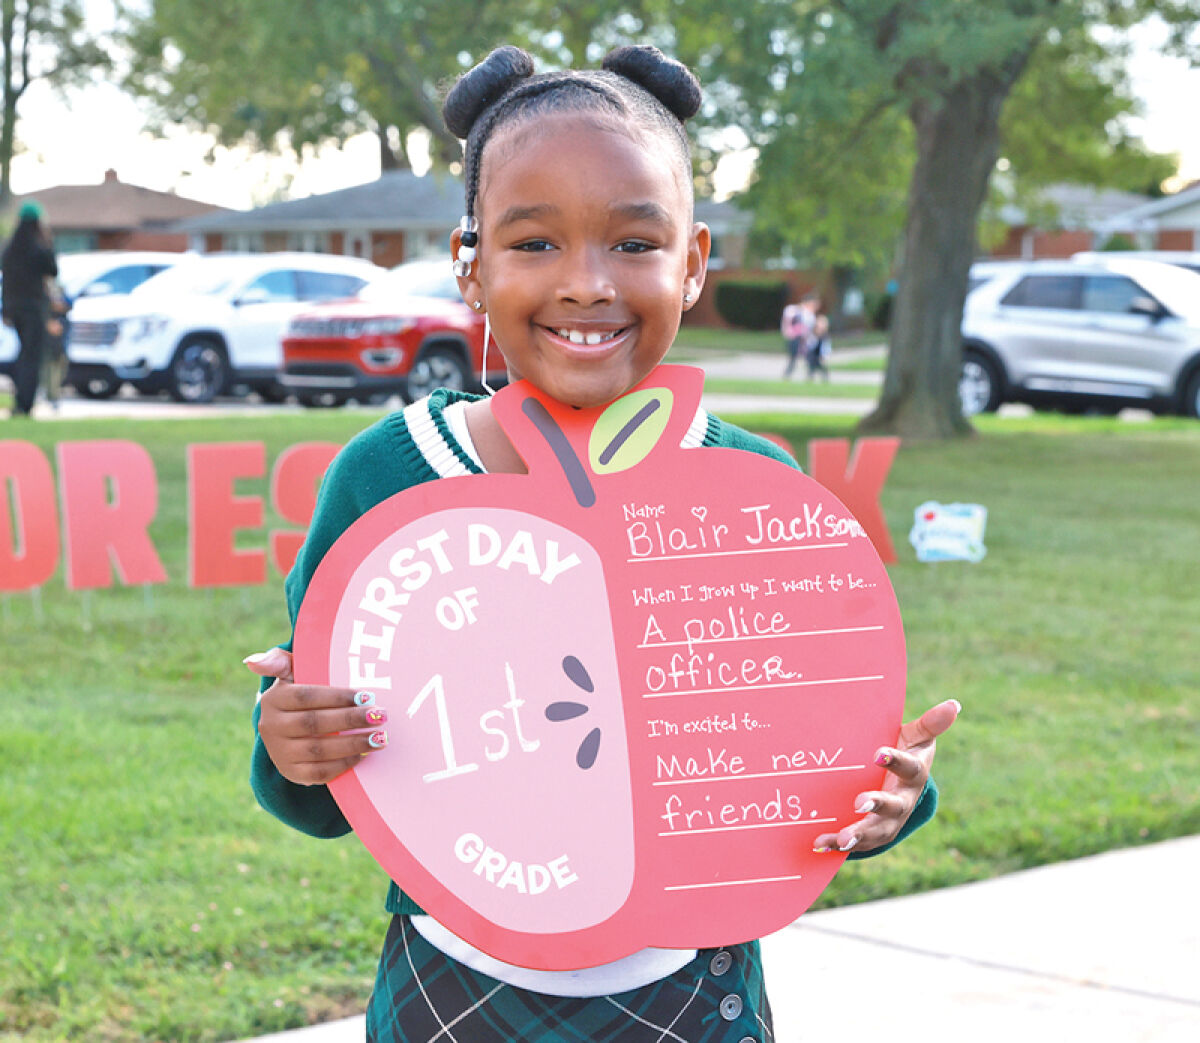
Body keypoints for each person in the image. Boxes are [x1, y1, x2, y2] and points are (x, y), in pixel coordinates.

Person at [245, 44, 958, 1042]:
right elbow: (324, 783)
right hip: (454, 989)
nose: (586, 283)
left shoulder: (752, 490)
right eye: (534, 243)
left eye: (633, 243)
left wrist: (889, 798)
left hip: (694, 993)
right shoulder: (385, 476)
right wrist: (291, 742)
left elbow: (815, 749)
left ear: (695, 260)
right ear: (470, 262)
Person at [1, 201, 58, 417]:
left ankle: (20, 400)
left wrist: (5, 310)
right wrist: (48, 241)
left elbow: (5, 282)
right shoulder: (39, 248)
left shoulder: (10, 249)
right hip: (34, 310)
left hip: (15, 310)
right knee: (31, 356)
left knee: (23, 354)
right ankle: (25, 404)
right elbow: (53, 270)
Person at [803, 296, 831, 382]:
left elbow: (826, 346)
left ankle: (824, 375)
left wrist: (825, 354)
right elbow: (810, 343)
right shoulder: (813, 334)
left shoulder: (824, 337)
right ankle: (810, 376)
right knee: (811, 365)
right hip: (812, 353)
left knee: (819, 365)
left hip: (819, 354)